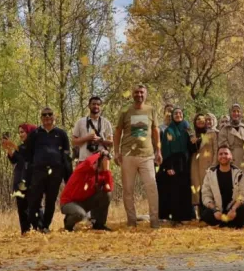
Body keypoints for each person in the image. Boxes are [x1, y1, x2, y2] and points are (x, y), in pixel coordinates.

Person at [114, 85, 162, 229]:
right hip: (128, 155)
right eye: (136, 92)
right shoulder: (125, 110)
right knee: (128, 189)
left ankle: (154, 221)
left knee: (152, 188)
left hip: (147, 155)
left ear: (145, 94)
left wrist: (158, 151)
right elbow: (117, 132)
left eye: (142, 92)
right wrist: (116, 152)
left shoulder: (151, 110)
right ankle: (131, 221)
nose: (139, 94)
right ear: (132, 94)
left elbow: (155, 131)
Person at [24, 107, 71, 233]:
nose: (47, 117)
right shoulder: (34, 134)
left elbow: (66, 155)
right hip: (38, 171)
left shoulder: (61, 134)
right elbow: (28, 154)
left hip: (56, 171)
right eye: (44, 115)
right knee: (34, 200)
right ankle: (37, 224)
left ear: (54, 117)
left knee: (51, 200)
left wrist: (67, 174)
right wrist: (29, 172)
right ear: (41, 117)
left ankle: (45, 226)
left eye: (50, 114)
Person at [218, 104, 244, 218]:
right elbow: (222, 146)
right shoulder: (225, 129)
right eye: (233, 111)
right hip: (231, 162)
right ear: (230, 113)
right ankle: (231, 213)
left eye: (238, 111)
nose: (236, 114)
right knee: (232, 190)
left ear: (241, 113)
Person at [60, 150, 114, 231]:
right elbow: (89, 161)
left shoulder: (102, 174)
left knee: (107, 195)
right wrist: (100, 154)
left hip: (84, 202)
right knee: (80, 214)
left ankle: (99, 224)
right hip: (69, 202)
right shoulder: (84, 168)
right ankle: (68, 225)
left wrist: (107, 171)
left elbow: (109, 188)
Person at [158, 107, 196, 224]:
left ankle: (185, 217)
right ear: (173, 116)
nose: (178, 115)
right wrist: (168, 166)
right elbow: (166, 148)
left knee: (185, 188)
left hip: (185, 161)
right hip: (173, 162)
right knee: (174, 190)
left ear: (183, 115)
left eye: (180, 113)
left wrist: (193, 141)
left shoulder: (188, 128)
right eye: (176, 113)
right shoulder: (169, 130)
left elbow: (193, 149)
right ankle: (176, 218)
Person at [201, 145, 244, 228]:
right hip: (218, 211)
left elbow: (243, 193)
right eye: (220, 154)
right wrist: (215, 210)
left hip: (232, 211)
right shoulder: (210, 174)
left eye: (226, 153)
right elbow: (206, 195)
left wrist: (234, 209)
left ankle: (226, 223)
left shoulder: (238, 173)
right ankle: (230, 223)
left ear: (231, 156)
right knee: (205, 214)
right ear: (217, 157)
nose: (223, 156)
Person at [2, 124, 36, 234]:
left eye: (23, 132)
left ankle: (38, 229)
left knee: (34, 205)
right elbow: (14, 159)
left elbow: (27, 155)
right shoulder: (20, 147)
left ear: (29, 133)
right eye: (19, 132)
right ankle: (25, 231)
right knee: (21, 207)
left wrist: (13, 145)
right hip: (19, 177)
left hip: (31, 179)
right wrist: (7, 148)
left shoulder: (34, 147)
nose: (20, 134)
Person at [190, 113, 218, 215]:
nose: (201, 121)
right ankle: (200, 214)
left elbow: (216, 149)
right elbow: (190, 150)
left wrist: (214, 164)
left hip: (208, 164)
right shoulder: (192, 134)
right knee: (197, 189)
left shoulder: (212, 133)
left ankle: (211, 213)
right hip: (195, 164)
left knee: (208, 188)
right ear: (195, 122)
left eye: (203, 120)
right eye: (198, 120)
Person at [71, 96, 114, 163]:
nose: (96, 106)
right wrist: (87, 138)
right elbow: (73, 142)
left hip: (101, 159)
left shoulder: (106, 122)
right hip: (84, 159)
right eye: (93, 104)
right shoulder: (80, 122)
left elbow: (111, 143)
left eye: (98, 104)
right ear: (89, 106)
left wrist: (100, 140)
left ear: (100, 107)